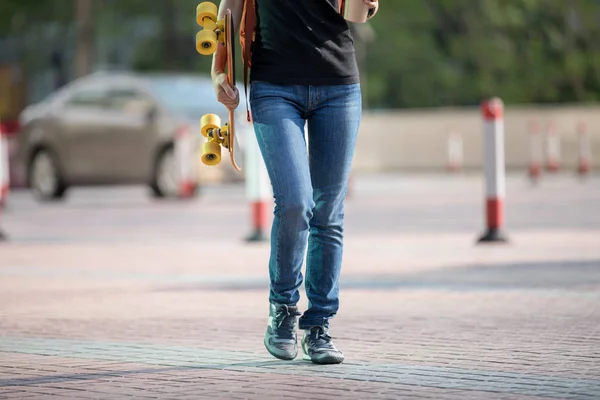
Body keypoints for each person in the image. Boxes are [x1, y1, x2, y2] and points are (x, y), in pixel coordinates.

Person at [211, 0, 379, 364]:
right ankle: (283, 308)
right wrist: (218, 70)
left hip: (338, 86)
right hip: (274, 86)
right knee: (295, 202)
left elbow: (360, 12)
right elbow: (228, 13)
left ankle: (319, 325)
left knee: (328, 211)